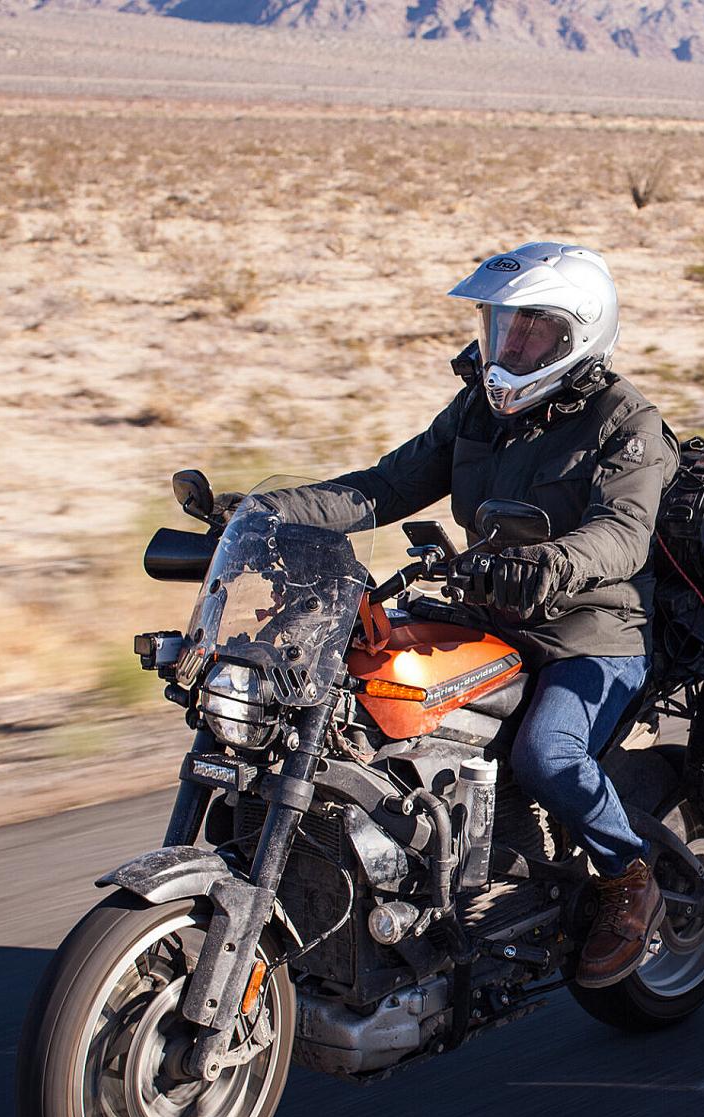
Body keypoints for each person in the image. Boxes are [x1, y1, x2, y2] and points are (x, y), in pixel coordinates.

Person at [265, 241, 678, 988]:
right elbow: (383, 487)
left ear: (579, 334)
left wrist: (552, 562)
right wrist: (267, 513)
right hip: (490, 610)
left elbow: (623, 531)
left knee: (547, 755)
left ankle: (630, 876)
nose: (511, 344)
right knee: (356, 695)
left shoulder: (627, 421)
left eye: (534, 330)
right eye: (503, 325)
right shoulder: (481, 410)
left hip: (590, 632)